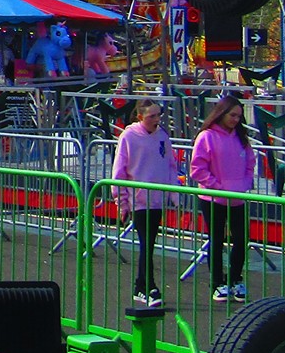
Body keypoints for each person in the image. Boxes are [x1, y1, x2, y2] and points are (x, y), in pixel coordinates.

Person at [110, 100, 178, 304]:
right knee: (146, 243)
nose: (157, 120)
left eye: (159, 115)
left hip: (158, 198)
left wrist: (174, 194)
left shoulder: (162, 136)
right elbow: (119, 171)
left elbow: (171, 165)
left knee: (149, 244)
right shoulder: (128, 136)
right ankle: (148, 287)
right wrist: (121, 202)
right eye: (152, 116)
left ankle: (142, 286)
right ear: (140, 117)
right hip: (138, 200)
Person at [191, 93, 256, 302]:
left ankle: (236, 278)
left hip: (237, 196)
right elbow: (197, 168)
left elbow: (250, 163)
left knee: (240, 239)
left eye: (239, 116)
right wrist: (216, 186)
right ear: (222, 113)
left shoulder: (241, 138)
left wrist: (245, 183)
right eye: (232, 115)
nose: (236, 120)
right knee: (216, 239)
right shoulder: (207, 136)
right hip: (213, 197)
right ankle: (218, 282)